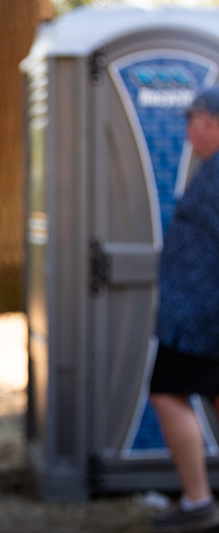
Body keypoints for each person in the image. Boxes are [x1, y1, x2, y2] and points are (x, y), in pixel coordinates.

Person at [149, 85, 219, 532]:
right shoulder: (209, 168)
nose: (190, 128)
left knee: (166, 392)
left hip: (199, 318)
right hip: (200, 314)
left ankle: (198, 502)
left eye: (193, 119)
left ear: (209, 121)